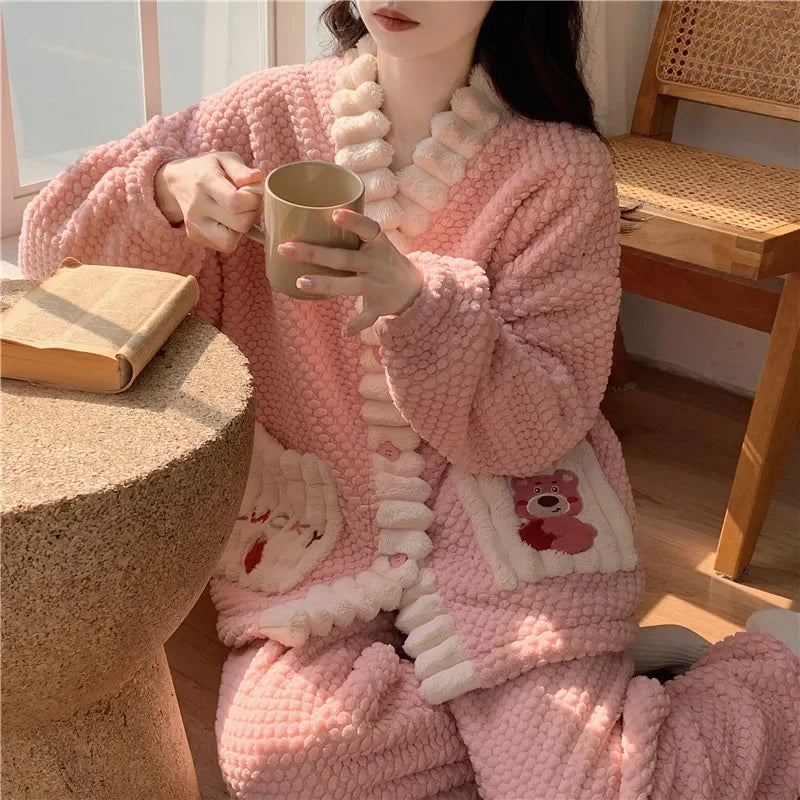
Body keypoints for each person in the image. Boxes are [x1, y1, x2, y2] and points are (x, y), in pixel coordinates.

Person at [20, 2, 799, 798]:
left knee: (583, 790)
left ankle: (773, 677)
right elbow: (53, 254)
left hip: (506, 531)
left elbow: (546, 418)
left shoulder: (561, 169)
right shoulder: (261, 115)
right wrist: (161, 190)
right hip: (326, 539)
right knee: (281, 762)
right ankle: (571, 723)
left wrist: (419, 301)